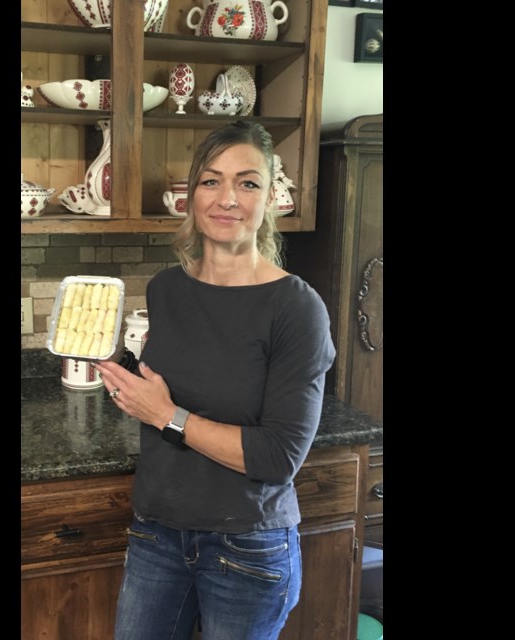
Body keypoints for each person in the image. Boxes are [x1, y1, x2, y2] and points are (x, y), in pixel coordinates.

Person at [95, 120, 336, 640]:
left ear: (271, 197)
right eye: (211, 180)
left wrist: (165, 415)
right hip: (157, 533)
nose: (227, 198)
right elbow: (173, 383)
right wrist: (123, 379)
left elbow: (278, 457)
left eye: (247, 182)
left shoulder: (296, 307)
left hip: (248, 548)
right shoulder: (166, 289)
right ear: (191, 196)